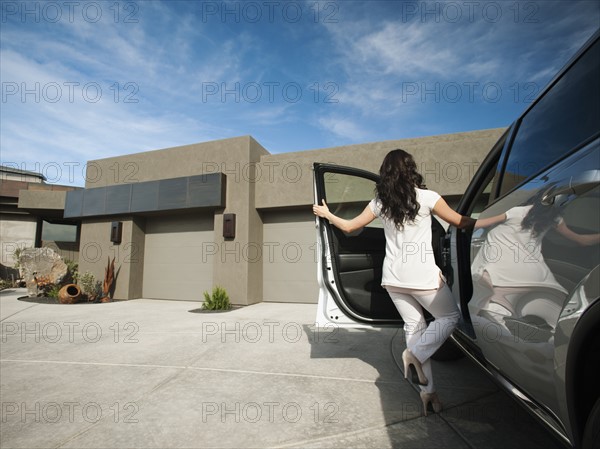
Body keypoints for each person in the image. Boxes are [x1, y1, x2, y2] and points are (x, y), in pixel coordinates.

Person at [313, 149, 475, 415]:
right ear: (411, 168)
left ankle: (428, 393)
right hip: (422, 277)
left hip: (393, 279)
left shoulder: (380, 202)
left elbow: (351, 227)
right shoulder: (427, 197)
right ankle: (415, 355)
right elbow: (461, 222)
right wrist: (496, 220)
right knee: (449, 318)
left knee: (415, 326)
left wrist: (327, 214)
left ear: (385, 173)